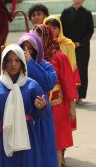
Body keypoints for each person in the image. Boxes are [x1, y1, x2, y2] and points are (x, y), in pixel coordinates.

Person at [0, 44, 52, 167]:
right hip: (2, 136)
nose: (13, 64)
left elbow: (43, 113)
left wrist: (41, 107)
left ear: (23, 62)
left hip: (26, 133)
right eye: (9, 60)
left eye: (17, 60)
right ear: (3, 63)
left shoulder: (32, 85)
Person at [34, 24, 78, 167]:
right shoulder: (32, 57)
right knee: (39, 143)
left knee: (56, 144)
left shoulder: (60, 57)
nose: (36, 38)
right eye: (34, 35)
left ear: (47, 36)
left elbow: (68, 83)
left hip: (56, 105)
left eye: (39, 35)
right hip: (37, 106)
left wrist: (72, 107)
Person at [18, 33, 58, 167]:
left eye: (31, 48)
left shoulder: (45, 65)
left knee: (44, 147)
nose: (27, 52)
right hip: (23, 114)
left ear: (37, 49)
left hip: (42, 112)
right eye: (24, 48)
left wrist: (31, 64)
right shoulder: (15, 67)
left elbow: (48, 84)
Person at [60, 0, 94, 105]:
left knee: (82, 71)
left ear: (83, 0)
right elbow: (61, 29)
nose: (77, 0)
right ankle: (69, 95)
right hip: (67, 47)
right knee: (68, 71)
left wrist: (80, 42)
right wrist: (68, 42)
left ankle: (80, 96)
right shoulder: (65, 12)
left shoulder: (87, 13)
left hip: (82, 48)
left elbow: (90, 31)